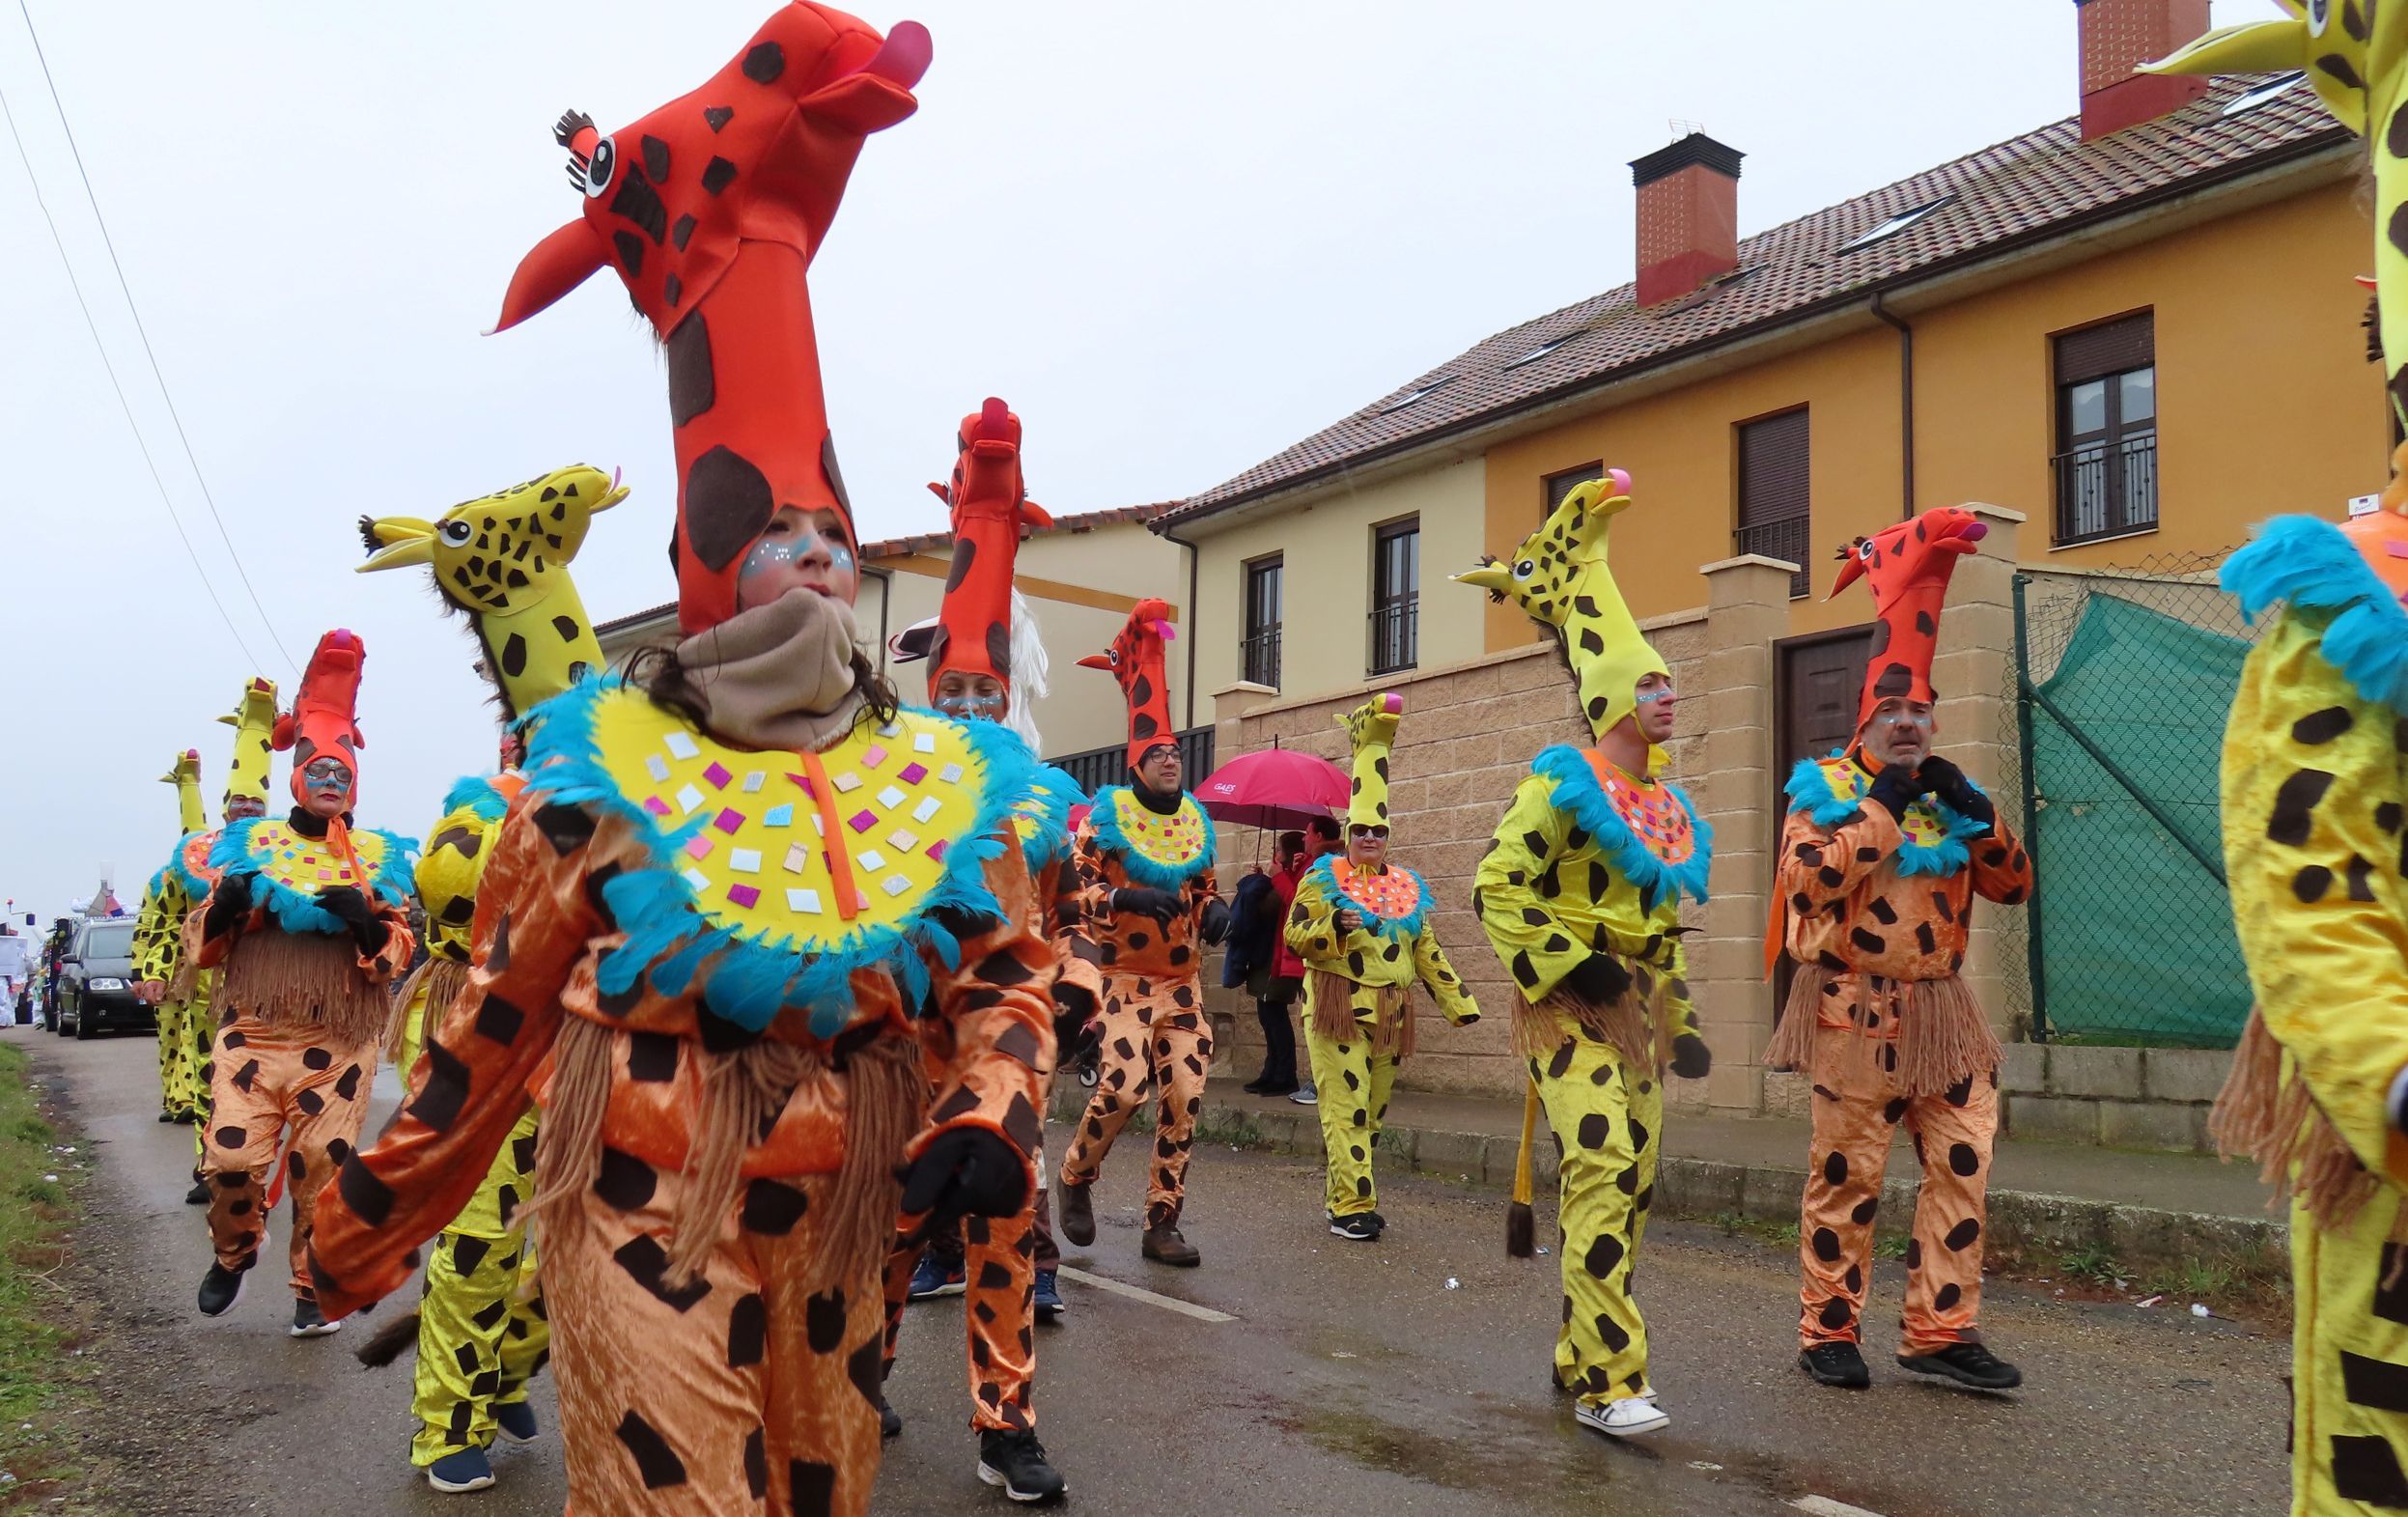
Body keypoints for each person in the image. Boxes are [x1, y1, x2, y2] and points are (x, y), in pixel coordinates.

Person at [348, 461, 630, 1494]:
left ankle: (503, 1367)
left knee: (572, 1254)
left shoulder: (626, 805)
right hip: (493, 1042)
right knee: (478, 1248)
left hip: (596, 1050)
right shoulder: (472, 815)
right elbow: (454, 898)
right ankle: (445, 1423)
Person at [1460, 473, 1712, 1439]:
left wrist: (1677, 1021)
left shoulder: (1663, 805)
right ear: (1609, 693)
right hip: (1568, 1011)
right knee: (1602, 1166)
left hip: (1636, 1016)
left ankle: (1577, 1353)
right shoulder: (1561, 787)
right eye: (1648, 683)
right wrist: (1572, 964)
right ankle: (1613, 1377)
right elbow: (1495, 886)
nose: (1665, 694)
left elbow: (1659, 931)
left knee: (1634, 1186)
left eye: (1668, 681)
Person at [870, 399, 1089, 1504]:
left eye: (982, 691)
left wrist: (1084, 985)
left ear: (1007, 697)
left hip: (1008, 1016)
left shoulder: (1049, 803)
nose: (964, 702)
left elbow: (1077, 912)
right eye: (948, 689)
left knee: (1000, 1200)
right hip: (903, 1029)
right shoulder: (882, 798)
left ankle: (1007, 1424)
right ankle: (860, 1369)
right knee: (896, 1216)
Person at [1762, 506, 2030, 1395]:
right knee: (1849, 1178)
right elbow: (1808, 886)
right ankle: (1827, 1328)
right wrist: (1881, 804)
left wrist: (1977, 813)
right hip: (1854, 1015)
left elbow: (2015, 884)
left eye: (1920, 709)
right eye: (1892, 708)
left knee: (1964, 1165)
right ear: (1866, 721)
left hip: (1945, 1017)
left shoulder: (1953, 796)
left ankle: (1939, 1330)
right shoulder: (1827, 792)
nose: (1908, 722)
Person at [189, 632, 418, 1335]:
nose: (330, 782)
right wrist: (227, 909)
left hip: (339, 1041)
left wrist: (368, 929)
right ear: (296, 774)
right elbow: (201, 947)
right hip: (254, 1030)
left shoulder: (375, 857)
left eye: (340, 773)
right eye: (317, 769)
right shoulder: (250, 847)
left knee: (324, 1168)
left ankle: (311, 1285)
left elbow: (401, 946)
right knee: (229, 1158)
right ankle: (235, 1251)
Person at [1056, 599, 1230, 1267]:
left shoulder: (1193, 821)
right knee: (1124, 1088)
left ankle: (1163, 1219)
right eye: (1158, 753)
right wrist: (1124, 894)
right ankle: (1075, 1175)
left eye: (1176, 751)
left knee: (1183, 1097)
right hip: (1124, 984)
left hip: (1181, 986)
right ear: (1136, 762)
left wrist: (1212, 909)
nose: (1171, 760)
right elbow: (1074, 897)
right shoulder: (1106, 820)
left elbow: (1203, 887)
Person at [1284, 692, 1477, 1240]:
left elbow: (1427, 950)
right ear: (1347, 834)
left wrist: (1458, 1004)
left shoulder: (1407, 887)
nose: (1370, 838)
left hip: (1392, 1012)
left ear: (1388, 835)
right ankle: (1353, 1207)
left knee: (1370, 1112)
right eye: (1362, 830)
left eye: (1379, 831)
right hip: (1338, 1009)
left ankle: (1341, 1196)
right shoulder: (1322, 878)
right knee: (1344, 1111)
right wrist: (1333, 931)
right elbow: (1296, 934)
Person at [133, 682, 279, 1202]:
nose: (244, 810)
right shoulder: (194, 857)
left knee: (260, 1085)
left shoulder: (285, 851)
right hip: (205, 988)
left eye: (253, 803)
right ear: (222, 807)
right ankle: (210, 1164)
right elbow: (160, 918)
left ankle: (251, 1168)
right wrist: (151, 968)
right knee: (207, 1077)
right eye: (236, 803)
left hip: (268, 990)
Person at [1239, 830, 1304, 1096]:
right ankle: (1271, 1071)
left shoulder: (1294, 876)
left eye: (1278, 848)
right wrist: (1261, 880)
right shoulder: (1283, 875)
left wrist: (1270, 880)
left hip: (1279, 956)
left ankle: (1284, 1075)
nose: (1274, 852)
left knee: (1275, 1016)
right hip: (1267, 956)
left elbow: (1278, 905)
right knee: (1267, 1016)